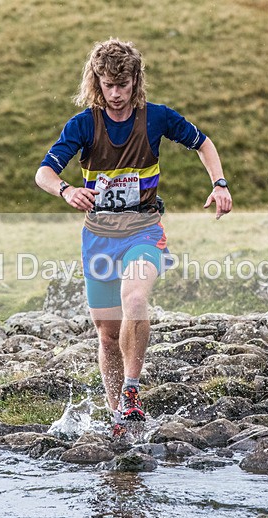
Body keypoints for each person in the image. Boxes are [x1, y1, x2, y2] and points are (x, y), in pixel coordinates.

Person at [35, 38, 232, 437]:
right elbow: (44, 173)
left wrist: (220, 183)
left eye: (124, 84)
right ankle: (118, 418)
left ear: (135, 81)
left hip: (144, 230)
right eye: (109, 85)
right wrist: (67, 190)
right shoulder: (82, 125)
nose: (117, 94)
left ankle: (131, 391)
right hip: (98, 238)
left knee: (136, 298)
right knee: (107, 335)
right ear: (97, 83)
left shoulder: (156, 118)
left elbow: (203, 143)